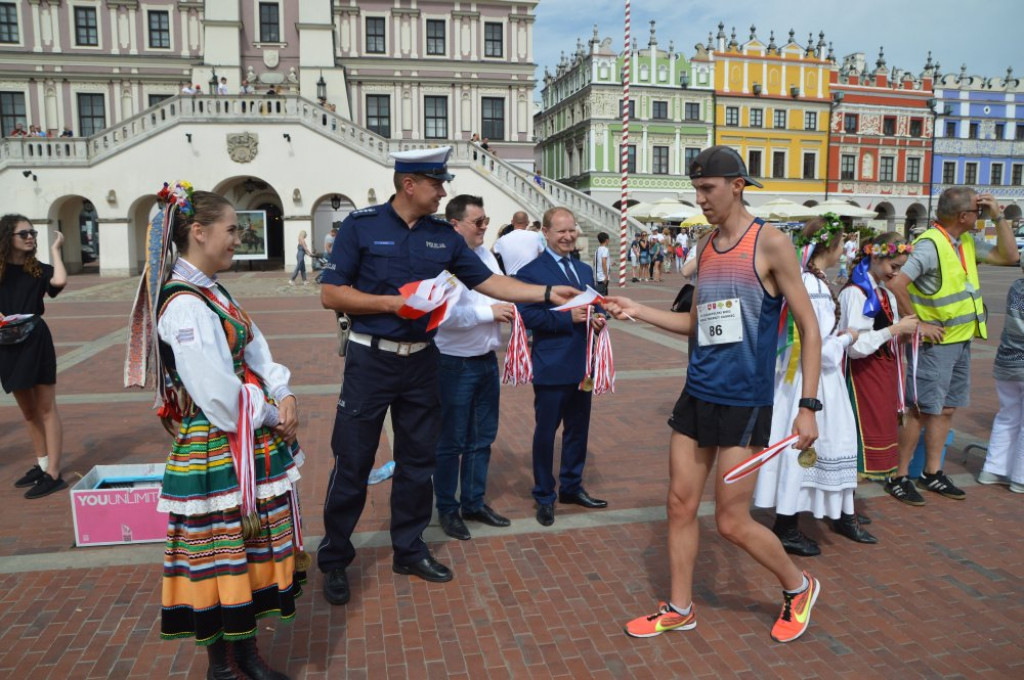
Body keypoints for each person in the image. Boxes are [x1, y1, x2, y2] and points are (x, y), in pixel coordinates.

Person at [317, 146, 579, 606]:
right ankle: (335, 556)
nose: (442, 192)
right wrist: (391, 304)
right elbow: (331, 294)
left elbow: (489, 282)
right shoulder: (362, 226)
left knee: (420, 462)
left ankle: (409, 548)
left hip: (423, 360)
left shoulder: (444, 236)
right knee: (353, 462)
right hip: (370, 361)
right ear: (409, 185)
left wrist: (545, 293)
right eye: (436, 184)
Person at [606, 146, 823, 643]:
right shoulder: (705, 246)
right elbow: (697, 324)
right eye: (697, 189)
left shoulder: (770, 243)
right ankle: (680, 608)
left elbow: (810, 329)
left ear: (738, 185)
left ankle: (798, 584)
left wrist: (808, 407)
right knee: (679, 504)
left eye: (708, 189)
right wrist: (635, 309)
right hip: (698, 394)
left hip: (745, 401)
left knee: (730, 521)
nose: (700, 199)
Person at [126, 184, 303, 679]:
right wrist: (271, 412)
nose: (236, 238)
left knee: (241, 556)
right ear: (199, 233)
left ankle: (243, 657)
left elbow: (255, 345)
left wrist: (282, 390)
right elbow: (219, 400)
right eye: (231, 229)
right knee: (224, 557)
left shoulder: (211, 289)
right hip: (219, 446)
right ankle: (223, 668)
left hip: (239, 440)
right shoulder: (184, 305)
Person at [885, 187, 1019, 505]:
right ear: (963, 216)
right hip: (933, 344)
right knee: (918, 410)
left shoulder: (964, 242)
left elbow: (1011, 257)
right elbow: (897, 283)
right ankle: (899, 476)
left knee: (945, 409)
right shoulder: (930, 245)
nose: (980, 215)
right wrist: (918, 323)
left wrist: (1000, 216)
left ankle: (933, 472)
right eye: (978, 211)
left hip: (958, 340)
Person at [753, 214, 869, 555]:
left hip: (801, 379)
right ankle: (787, 524)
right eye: (842, 244)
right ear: (831, 246)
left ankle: (837, 512)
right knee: (809, 449)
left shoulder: (810, 281)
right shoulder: (814, 288)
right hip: (813, 381)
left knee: (826, 447)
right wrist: (847, 337)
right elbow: (815, 346)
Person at [515, 207, 608, 527]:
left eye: (572, 230)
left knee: (578, 430)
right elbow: (526, 316)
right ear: (546, 233)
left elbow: (596, 304)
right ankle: (544, 494)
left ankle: (571, 486)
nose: (568, 236)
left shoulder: (583, 270)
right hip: (552, 363)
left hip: (583, 363)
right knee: (546, 431)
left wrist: (599, 319)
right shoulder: (531, 272)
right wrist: (565, 318)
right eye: (561, 232)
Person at [433, 195, 514, 541]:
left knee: (482, 437)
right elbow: (442, 317)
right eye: (477, 222)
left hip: (484, 360)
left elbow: (504, 292)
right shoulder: (442, 262)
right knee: (452, 440)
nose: (484, 227)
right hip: (453, 363)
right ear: (455, 225)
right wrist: (489, 313)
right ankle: (448, 509)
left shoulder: (486, 256)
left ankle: (474, 501)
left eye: (485, 221)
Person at [839, 233, 919, 483]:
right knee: (858, 444)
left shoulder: (884, 293)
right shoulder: (856, 293)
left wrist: (903, 334)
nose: (896, 273)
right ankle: (844, 508)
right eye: (893, 267)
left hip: (882, 373)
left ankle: (846, 508)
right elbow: (854, 346)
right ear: (874, 257)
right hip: (863, 375)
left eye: (900, 268)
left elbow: (885, 334)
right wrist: (894, 330)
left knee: (875, 437)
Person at [0, 216, 67, 499]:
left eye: (32, 232)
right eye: (23, 233)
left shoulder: (38, 269)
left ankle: (53, 472)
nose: (30, 237)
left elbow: (60, 282)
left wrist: (55, 249)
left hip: (35, 340)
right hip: (6, 341)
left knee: (46, 407)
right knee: (27, 410)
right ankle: (41, 464)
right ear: (7, 237)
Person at [980, 258, 1024, 493]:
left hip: (1007, 360)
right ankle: (1020, 477)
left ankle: (993, 469)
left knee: (1007, 416)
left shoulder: (1016, 286)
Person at [493, 210, 544, 276]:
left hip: (511, 281)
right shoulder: (536, 236)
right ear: (528, 222)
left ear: (512, 222)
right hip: (531, 279)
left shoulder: (502, 240)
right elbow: (543, 256)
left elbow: (490, 255)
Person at [594, 232, 610, 296]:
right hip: (603, 276)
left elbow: (595, 262)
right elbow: (603, 261)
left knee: (600, 294)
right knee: (603, 295)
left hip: (597, 275)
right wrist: (606, 275)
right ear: (606, 240)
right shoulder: (605, 250)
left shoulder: (597, 250)